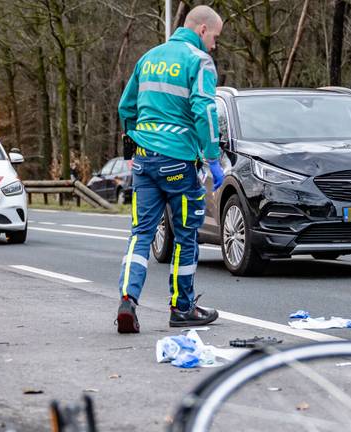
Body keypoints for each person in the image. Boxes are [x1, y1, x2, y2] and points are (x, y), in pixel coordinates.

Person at [114, 6, 225, 333]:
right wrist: (213, 158)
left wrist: (131, 150)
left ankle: (127, 299)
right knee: (185, 234)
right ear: (202, 30)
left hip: (145, 160)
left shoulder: (149, 58)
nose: (215, 45)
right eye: (215, 37)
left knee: (141, 233)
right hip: (179, 160)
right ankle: (182, 307)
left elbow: (126, 107)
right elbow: (204, 109)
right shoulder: (199, 60)